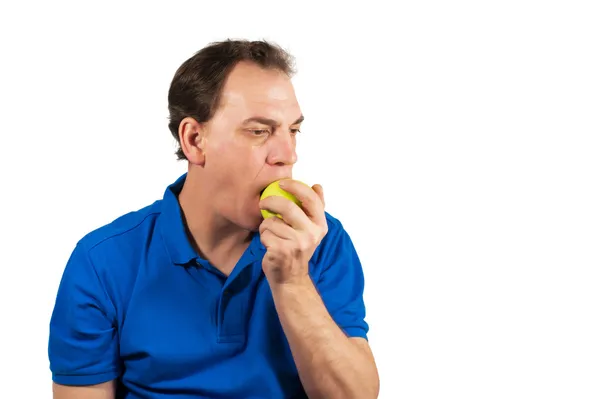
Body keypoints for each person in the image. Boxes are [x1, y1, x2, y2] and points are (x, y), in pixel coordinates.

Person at [48, 39, 379, 399]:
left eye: (293, 130)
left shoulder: (321, 241)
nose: (288, 155)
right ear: (194, 140)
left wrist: (293, 281)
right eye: (259, 131)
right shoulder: (102, 261)